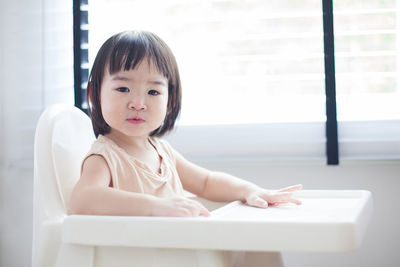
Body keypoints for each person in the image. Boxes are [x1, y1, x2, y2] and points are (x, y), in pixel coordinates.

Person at [68, 30, 302, 217]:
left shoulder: (161, 151)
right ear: (94, 95)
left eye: (152, 91)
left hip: (178, 249)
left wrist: (250, 190)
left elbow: (207, 182)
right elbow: (83, 199)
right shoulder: (105, 157)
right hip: (139, 256)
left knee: (256, 247)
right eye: (123, 88)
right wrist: (154, 206)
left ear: (171, 100)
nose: (138, 103)